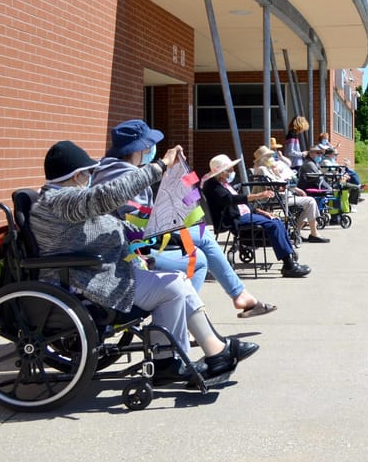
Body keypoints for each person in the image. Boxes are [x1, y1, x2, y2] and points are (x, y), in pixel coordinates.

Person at [29, 140, 258, 385]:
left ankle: (202, 353)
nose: (89, 177)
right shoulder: (61, 201)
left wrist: (156, 231)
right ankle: (179, 359)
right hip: (89, 282)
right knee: (172, 286)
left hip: (104, 271)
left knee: (176, 282)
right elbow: (108, 196)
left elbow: (109, 225)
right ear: (75, 176)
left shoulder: (64, 200)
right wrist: (160, 166)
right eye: (86, 172)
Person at [93, 120, 276, 318]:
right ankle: (195, 313)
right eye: (149, 145)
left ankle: (233, 298)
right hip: (132, 250)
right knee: (200, 252)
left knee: (200, 240)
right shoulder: (127, 175)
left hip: (123, 244)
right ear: (141, 147)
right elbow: (138, 222)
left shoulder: (106, 170)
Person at [202, 154, 312, 277]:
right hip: (234, 219)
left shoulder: (224, 184)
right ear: (222, 173)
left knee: (277, 220)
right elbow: (230, 200)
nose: (233, 171)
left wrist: (262, 212)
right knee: (273, 225)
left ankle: (289, 261)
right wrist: (259, 195)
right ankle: (289, 266)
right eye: (230, 169)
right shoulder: (212, 186)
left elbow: (242, 205)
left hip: (244, 214)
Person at [252, 144, 329, 243]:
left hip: (281, 196)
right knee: (310, 202)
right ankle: (311, 233)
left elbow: (279, 184)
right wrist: (279, 175)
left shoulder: (269, 169)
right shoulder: (262, 169)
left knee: (309, 203)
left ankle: (299, 232)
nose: (272, 158)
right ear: (263, 158)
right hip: (274, 198)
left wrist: (278, 175)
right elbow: (274, 186)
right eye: (269, 156)